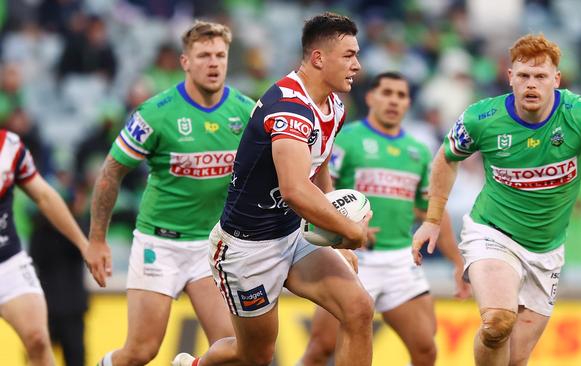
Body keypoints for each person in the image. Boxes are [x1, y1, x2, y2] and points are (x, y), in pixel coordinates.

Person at [411, 33, 581, 366]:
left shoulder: (580, 114)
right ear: (510, 78)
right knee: (497, 323)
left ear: (556, 79)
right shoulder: (482, 118)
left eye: (540, 76)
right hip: (492, 234)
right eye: (523, 75)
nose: (531, 84)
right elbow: (445, 158)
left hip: (546, 250)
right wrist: (433, 219)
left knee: (516, 359)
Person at [173, 12, 374, 366]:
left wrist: (329, 226)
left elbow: (319, 161)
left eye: (356, 55)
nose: (357, 65)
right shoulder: (289, 109)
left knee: (359, 309)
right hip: (246, 249)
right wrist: (348, 232)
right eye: (348, 55)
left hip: (292, 236)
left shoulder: (334, 106)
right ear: (317, 58)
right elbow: (295, 189)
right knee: (253, 355)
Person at [86, 20, 255, 366]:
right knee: (141, 352)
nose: (213, 63)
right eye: (204, 55)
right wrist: (97, 240)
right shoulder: (154, 114)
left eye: (220, 55)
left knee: (235, 351)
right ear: (185, 62)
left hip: (211, 247)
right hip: (159, 245)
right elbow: (110, 173)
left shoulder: (246, 112)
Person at [300, 72, 472, 366]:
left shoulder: (417, 152)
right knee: (321, 347)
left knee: (425, 350)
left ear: (408, 103)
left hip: (399, 262)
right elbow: (319, 192)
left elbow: (430, 212)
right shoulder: (347, 140)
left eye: (401, 95)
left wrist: (457, 261)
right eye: (387, 92)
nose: (394, 100)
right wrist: (345, 232)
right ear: (370, 98)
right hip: (353, 258)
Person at [0, 129, 90, 366]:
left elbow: (45, 197)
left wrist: (83, 243)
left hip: (7, 260)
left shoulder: (9, 146)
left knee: (38, 339)